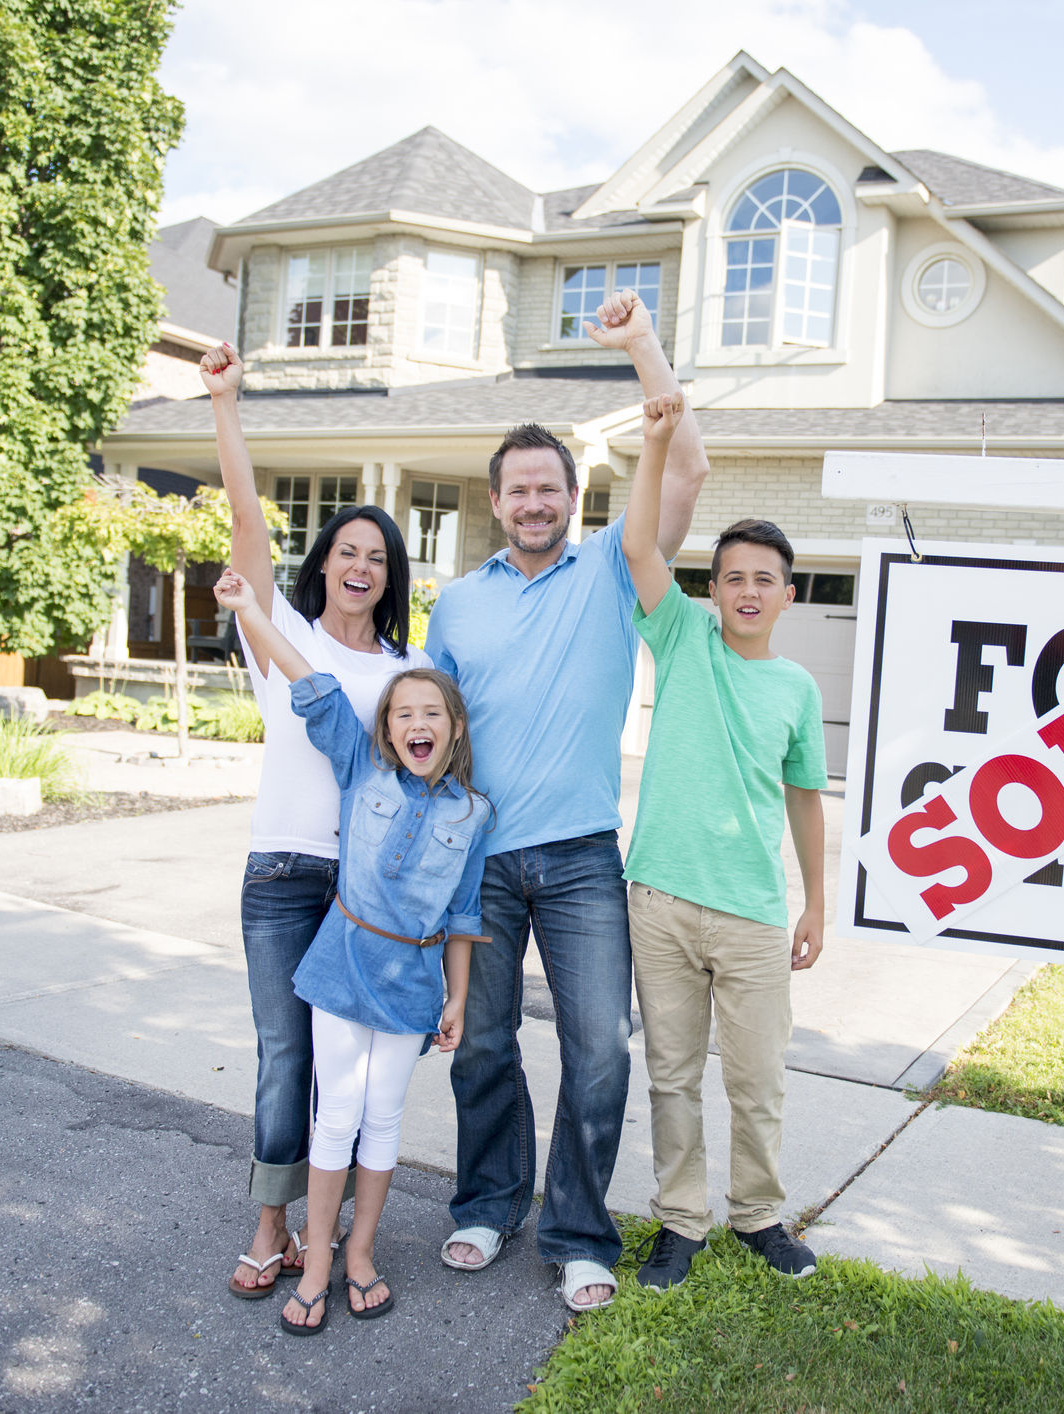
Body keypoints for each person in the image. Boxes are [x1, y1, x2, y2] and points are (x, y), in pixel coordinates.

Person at [427, 290, 710, 1312]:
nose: (536, 503)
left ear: (573, 495)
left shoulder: (612, 566)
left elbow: (686, 467)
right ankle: (486, 1202)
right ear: (496, 501)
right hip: (481, 860)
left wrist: (641, 350)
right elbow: (428, 738)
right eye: (519, 490)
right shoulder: (455, 602)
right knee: (485, 1046)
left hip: (587, 855)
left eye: (551, 487)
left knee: (599, 1048)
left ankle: (578, 1230)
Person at [199, 343, 432, 1302]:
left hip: (361, 894)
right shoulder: (277, 635)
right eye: (347, 552)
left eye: (378, 559)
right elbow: (247, 519)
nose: (361, 568)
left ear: (391, 577)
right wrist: (225, 404)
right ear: (323, 564)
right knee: (282, 1053)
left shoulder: (408, 676)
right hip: (278, 876)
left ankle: (334, 1232)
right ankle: (271, 1224)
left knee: (347, 1074)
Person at [213, 565, 489, 1334]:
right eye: (403, 713)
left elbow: (463, 913)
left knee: (384, 1115)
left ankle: (361, 1251)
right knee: (336, 1114)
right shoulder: (358, 765)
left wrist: (457, 997)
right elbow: (311, 680)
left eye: (432, 713)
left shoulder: (472, 814)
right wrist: (248, 612)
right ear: (386, 729)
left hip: (412, 984)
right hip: (340, 968)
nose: (416, 725)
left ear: (453, 728)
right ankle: (321, 1260)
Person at [617, 392, 829, 1288]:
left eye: (763, 579)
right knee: (670, 1078)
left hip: (749, 911)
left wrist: (816, 901)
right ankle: (680, 1221)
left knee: (755, 1082)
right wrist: (655, 444)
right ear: (713, 590)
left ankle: (757, 1216)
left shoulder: (797, 688)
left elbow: (806, 799)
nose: (747, 591)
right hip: (660, 896)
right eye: (732, 576)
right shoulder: (681, 638)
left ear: (788, 593)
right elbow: (636, 546)